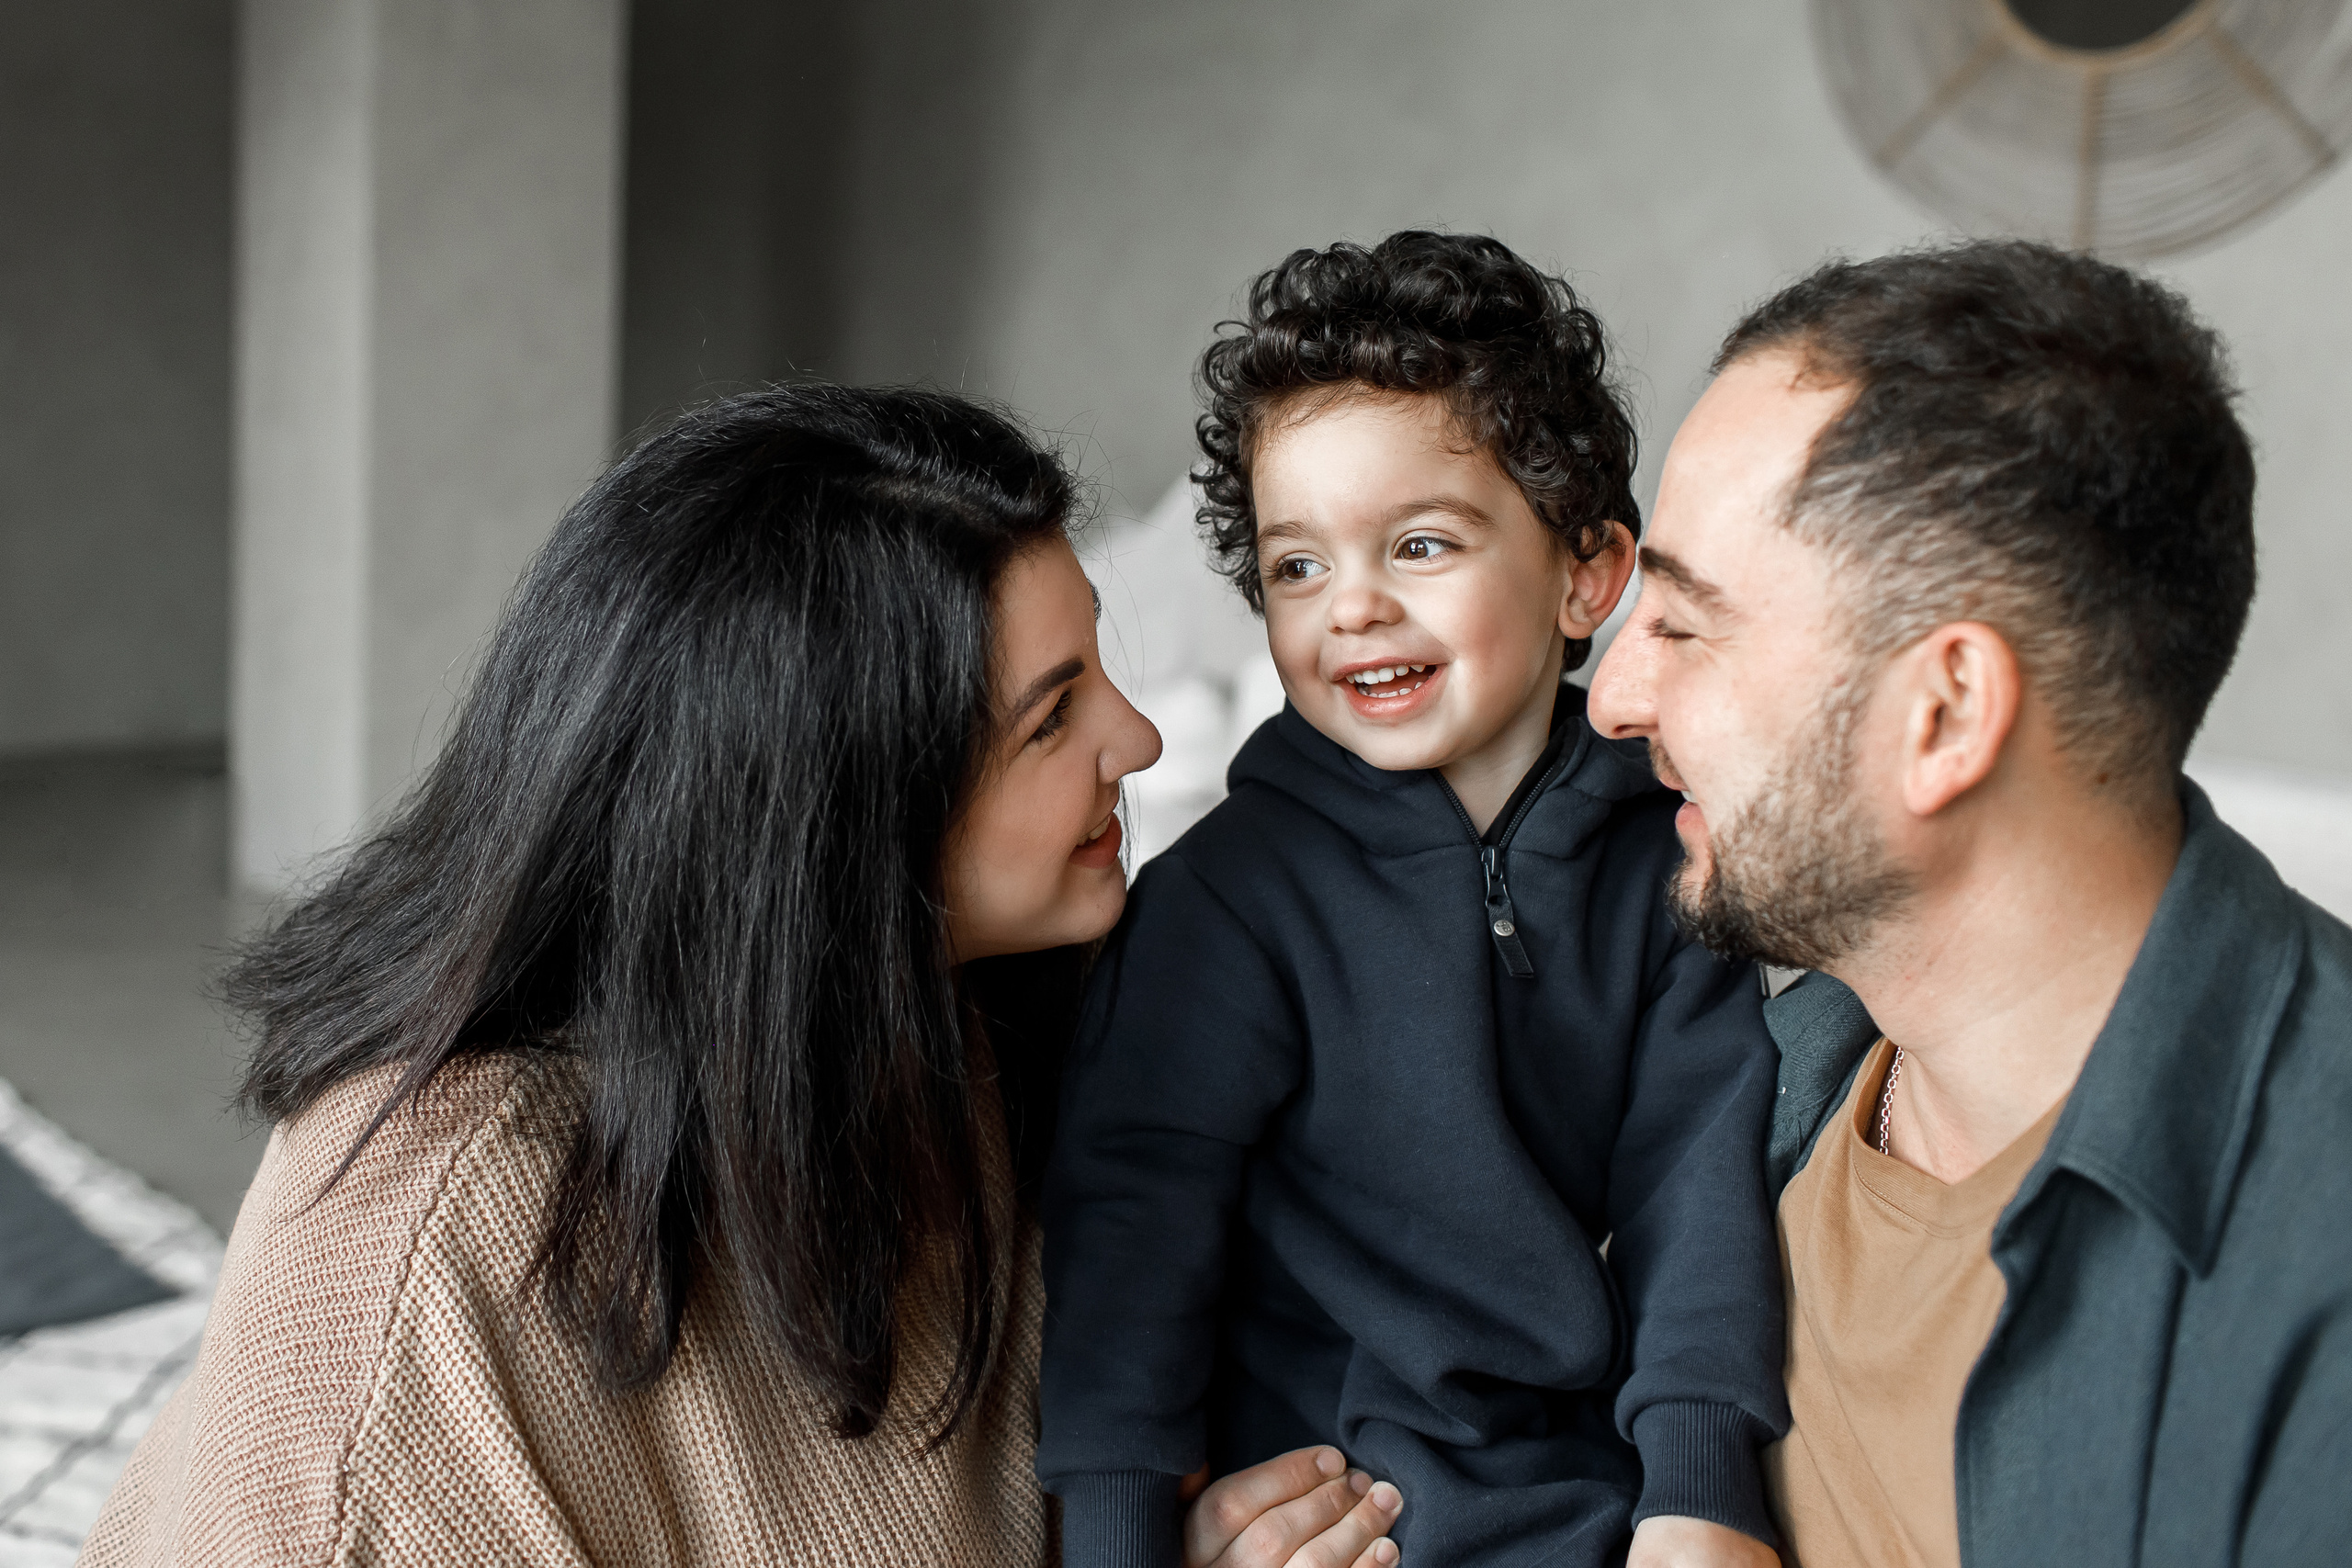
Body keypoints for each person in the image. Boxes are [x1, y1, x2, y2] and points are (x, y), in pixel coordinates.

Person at [81, 385, 1408, 1568]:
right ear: (836, 813)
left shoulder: (996, 1024)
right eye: (1051, 716)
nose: (1140, 733)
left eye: (1100, 670)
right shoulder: (434, 1259)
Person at [1588, 240, 2352, 1567]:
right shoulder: (1739, 1079)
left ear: (1944, 715)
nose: (1612, 701)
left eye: (1685, 625)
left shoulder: (2316, 1270)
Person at [1038, 233, 1788, 1568]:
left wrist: (1700, 1492)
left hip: (1586, 1500)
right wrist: (1123, 1539)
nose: (1354, 609)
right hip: (1335, 1512)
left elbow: (1700, 1194)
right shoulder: (1226, 902)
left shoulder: (1672, 870)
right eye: (1296, 567)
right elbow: (1132, 1238)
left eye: (1421, 543)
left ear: (1587, 573)